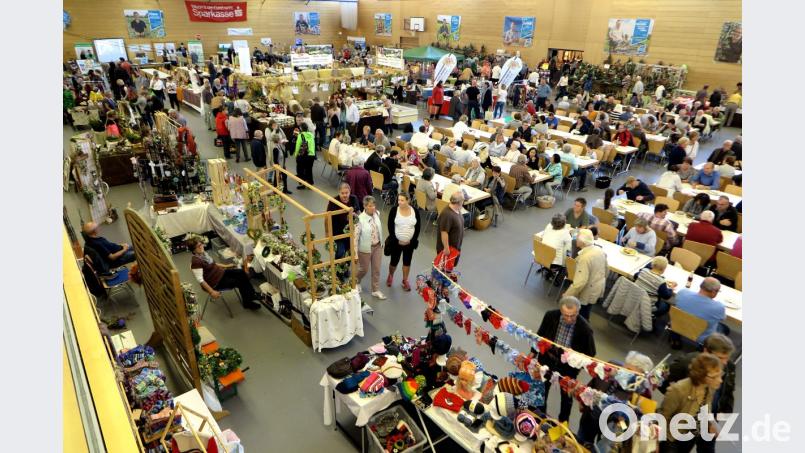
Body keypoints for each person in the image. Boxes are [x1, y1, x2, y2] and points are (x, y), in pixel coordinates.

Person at [529, 297, 596, 422]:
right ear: (560, 310)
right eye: (566, 315)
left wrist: (576, 368)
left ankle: (562, 424)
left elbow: (590, 354)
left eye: (573, 315)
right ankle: (538, 416)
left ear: (578, 312)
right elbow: (540, 335)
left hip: (567, 369)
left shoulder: (585, 329)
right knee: (541, 388)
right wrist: (533, 352)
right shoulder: (550, 316)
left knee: (566, 398)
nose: (569, 319)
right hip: (547, 359)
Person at [662, 333, 737, 421]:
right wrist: (678, 399)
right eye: (720, 358)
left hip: (708, 418)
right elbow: (663, 381)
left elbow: (728, 391)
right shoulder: (685, 363)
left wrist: (724, 413)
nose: (724, 363)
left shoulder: (730, 367)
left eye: (727, 358)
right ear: (706, 351)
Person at [659, 353, 724, 452]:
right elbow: (662, 417)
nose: (720, 380)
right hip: (671, 440)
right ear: (702, 376)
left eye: (720, 375)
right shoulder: (678, 390)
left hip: (690, 438)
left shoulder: (709, 389)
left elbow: (706, 410)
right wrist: (656, 442)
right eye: (715, 377)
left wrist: (712, 423)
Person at [186, 236, 261, 310]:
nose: (201, 247)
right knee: (239, 281)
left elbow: (213, 264)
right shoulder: (196, 262)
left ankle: (252, 294)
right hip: (215, 282)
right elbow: (200, 280)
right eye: (198, 246)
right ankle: (248, 301)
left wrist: (226, 265)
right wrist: (212, 292)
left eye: (201, 244)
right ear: (193, 250)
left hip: (220, 273)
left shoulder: (203, 254)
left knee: (241, 272)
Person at [564, 229, 607, 320]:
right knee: (586, 311)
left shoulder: (584, 258)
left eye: (577, 237)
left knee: (581, 316)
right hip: (597, 288)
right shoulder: (600, 250)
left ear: (582, 242)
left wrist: (567, 295)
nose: (575, 238)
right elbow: (606, 270)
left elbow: (580, 282)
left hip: (587, 291)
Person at [674, 277, 727, 344]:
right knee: (724, 328)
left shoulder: (682, 292)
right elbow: (723, 319)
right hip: (700, 337)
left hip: (678, 327)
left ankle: (675, 337)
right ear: (714, 292)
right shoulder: (719, 307)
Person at [386, 193, 421, 291]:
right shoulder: (394, 210)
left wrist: (411, 240)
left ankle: (405, 280)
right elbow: (390, 226)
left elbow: (418, 228)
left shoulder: (415, 211)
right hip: (396, 243)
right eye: (399, 200)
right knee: (394, 261)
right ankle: (390, 275)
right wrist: (397, 240)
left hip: (409, 244)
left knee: (407, 262)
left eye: (402, 200)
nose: (399, 202)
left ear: (408, 200)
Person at [354, 196, 386, 299]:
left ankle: (375, 290)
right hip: (365, 248)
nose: (372, 208)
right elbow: (355, 238)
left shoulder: (377, 214)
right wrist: (355, 253)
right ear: (364, 206)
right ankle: (356, 281)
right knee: (364, 269)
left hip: (377, 246)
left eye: (373, 205)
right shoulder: (360, 219)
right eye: (370, 206)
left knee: (376, 269)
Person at [293, 123, 316, 189]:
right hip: (311, 155)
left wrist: (296, 154)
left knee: (301, 170)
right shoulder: (311, 135)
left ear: (301, 129)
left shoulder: (300, 135)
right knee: (309, 169)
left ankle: (303, 184)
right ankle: (310, 183)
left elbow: (298, 146)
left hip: (303, 155)